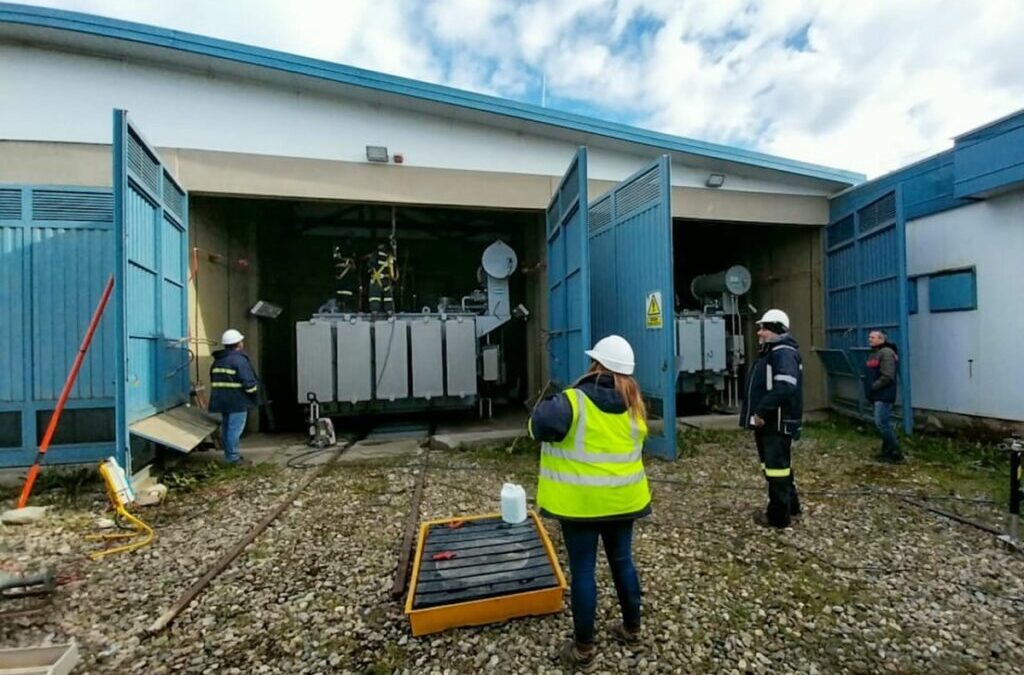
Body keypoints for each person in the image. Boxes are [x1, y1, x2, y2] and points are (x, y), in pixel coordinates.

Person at [529, 335, 651, 672]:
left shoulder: (573, 401)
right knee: (623, 563)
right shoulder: (634, 404)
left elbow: (539, 425)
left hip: (581, 505)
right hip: (623, 501)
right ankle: (632, 628)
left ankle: (583, 648)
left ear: (596, 365)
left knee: (583, 571)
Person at [740, 309, 803, 529]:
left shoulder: (782, 353)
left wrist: (760, 411)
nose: (759, 332)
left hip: (774, 422)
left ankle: (778, 517)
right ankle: (791, 506)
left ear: (776, 329)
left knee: (776, 469)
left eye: (764, 328)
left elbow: (785, 387)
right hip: (771, 421)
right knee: (779, 467)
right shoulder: (773, 351)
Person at [208, 329, 259, 464]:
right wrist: (254, 392)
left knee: (226, 429)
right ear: (238, 344)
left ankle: (229, 455)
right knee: (235, 429)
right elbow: (249, 383)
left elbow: (213, 378)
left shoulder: (218, 360)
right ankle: (233, 458)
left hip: (221, 401)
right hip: (237, 401)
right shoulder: (239, 360)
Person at [866, 329, 904, 463]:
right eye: (870, 337)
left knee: (882, 423)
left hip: (884, 394)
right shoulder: (876, 353)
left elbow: (887, 376)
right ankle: (887, 451)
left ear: (882, 339)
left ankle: (895, 452)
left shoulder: (886, 353)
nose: (870, 339)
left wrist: (873, 387)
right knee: (883, 423)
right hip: (878, 394)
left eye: (873, 337)